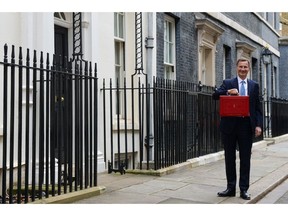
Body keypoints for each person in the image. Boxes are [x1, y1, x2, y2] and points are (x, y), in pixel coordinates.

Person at [212, 58, 263, 200]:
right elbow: (215, 95)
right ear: (237, 68)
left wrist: (258, 125)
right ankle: (230, 188)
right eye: (240, 67)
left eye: (245, 67)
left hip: (246, 126)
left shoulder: (254, 85)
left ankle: (244, 189)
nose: (243, 69)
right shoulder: (228, 83)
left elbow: (257, 108)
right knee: (230, 158)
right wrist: (228, 92)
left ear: (248, 69)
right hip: (229, 127)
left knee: (245, 159)